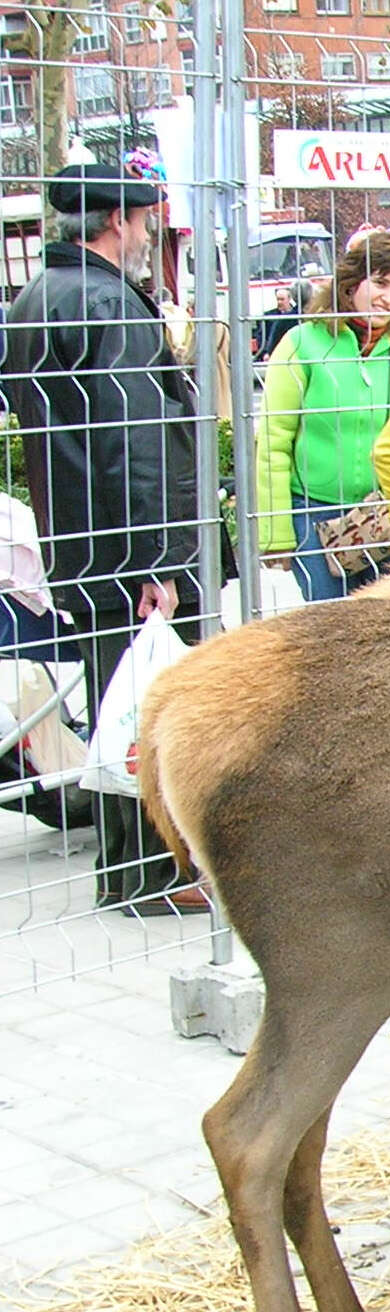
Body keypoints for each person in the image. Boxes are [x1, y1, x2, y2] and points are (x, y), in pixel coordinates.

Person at [0, 159, 205, 914]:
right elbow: (137, 438)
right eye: (146, 220)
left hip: (80, 545)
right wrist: (157, 556)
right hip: (132, 553)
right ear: (118, 221)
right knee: (153, 714)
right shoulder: (109, 302)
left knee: (119, 703)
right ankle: (153, 874)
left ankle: (127, 870)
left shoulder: (33, 299)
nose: (151, 232)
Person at [255, 227, 390, 601]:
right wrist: (275, 534)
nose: (389, 298)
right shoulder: (301, 343)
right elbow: (272, 442)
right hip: (312, 516)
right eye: (380, 282)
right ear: (351, 284)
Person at [251, 282, 300, 360]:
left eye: (282, 299)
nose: (279, 302)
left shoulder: (297, 315)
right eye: (278, 299)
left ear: (290, 299)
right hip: (271, 353)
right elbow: (261, 337)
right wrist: (265, 353)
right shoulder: (268, 316)